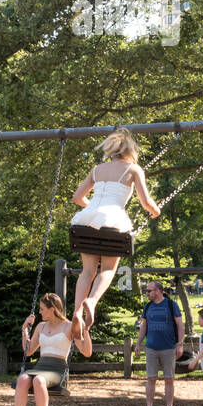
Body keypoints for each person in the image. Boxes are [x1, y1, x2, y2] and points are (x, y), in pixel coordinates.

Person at [68, 128, 162, 334]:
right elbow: (146, 202)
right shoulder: (134, 169)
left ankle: (76, 311)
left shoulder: (97, 169)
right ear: (130, 150)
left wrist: (92, 210)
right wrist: (155, 211)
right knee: (108, 270)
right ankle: (91, 302)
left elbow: (77, 198)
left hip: (86, 221)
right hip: (112, 221)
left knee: (87, 271)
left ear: (111, 149)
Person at [10, 293, 91, 406]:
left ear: (52, 309)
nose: (39, 312)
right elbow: (28, 351)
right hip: (41, 365)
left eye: (42, 309)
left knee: (38, 380)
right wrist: (24, 329)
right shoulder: (40, 327)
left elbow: (86, 352)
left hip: (57, 368)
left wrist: (85, 329)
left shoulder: (69, 326)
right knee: (22, 379)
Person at [135, 281, 184, 406]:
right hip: (151, 348)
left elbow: (180, 325)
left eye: (149, 291)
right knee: (151, 378)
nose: (147, 293)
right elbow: (144, 326)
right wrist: (138, 343)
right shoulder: (148, 306)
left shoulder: (171, 305)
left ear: (158, 291)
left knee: (169, 379)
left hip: (169, 348)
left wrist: (180, 344)